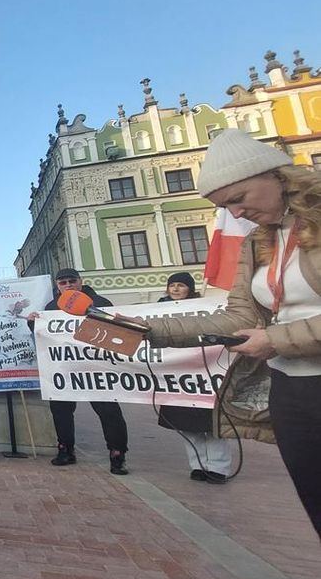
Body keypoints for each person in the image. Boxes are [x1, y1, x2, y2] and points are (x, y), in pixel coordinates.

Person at [146, 130, 321, 537]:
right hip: (291, 391)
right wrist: (150, 328)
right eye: (226, 207)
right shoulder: (258, 242)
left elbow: (266, 333)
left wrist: (275, 340)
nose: (237, 213)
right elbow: (235, 318)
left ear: (277, 176)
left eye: (239, 198)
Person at [28, 268, 129, 474]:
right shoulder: (51, 307)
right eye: (63, 282)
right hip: (65, 368)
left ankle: (117, 453)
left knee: (109, 412)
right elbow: (45, 336)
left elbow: (116, 330)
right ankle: (66, 449)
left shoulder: (100, 302)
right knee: (61, 410)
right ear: (57, 286)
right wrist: (33, 324)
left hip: (97, 368)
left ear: (80, 281)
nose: (68, 285)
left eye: (72, 281)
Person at [154, 272, 233, 484]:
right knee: (187, 426)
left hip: (206, 376)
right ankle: (198, 465)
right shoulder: (157, 310)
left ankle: (218, 468)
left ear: (190, 288)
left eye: (181, 285)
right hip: (178, 377)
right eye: (173, 285)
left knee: (213, 425)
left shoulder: (203, 308)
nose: (176, 289)